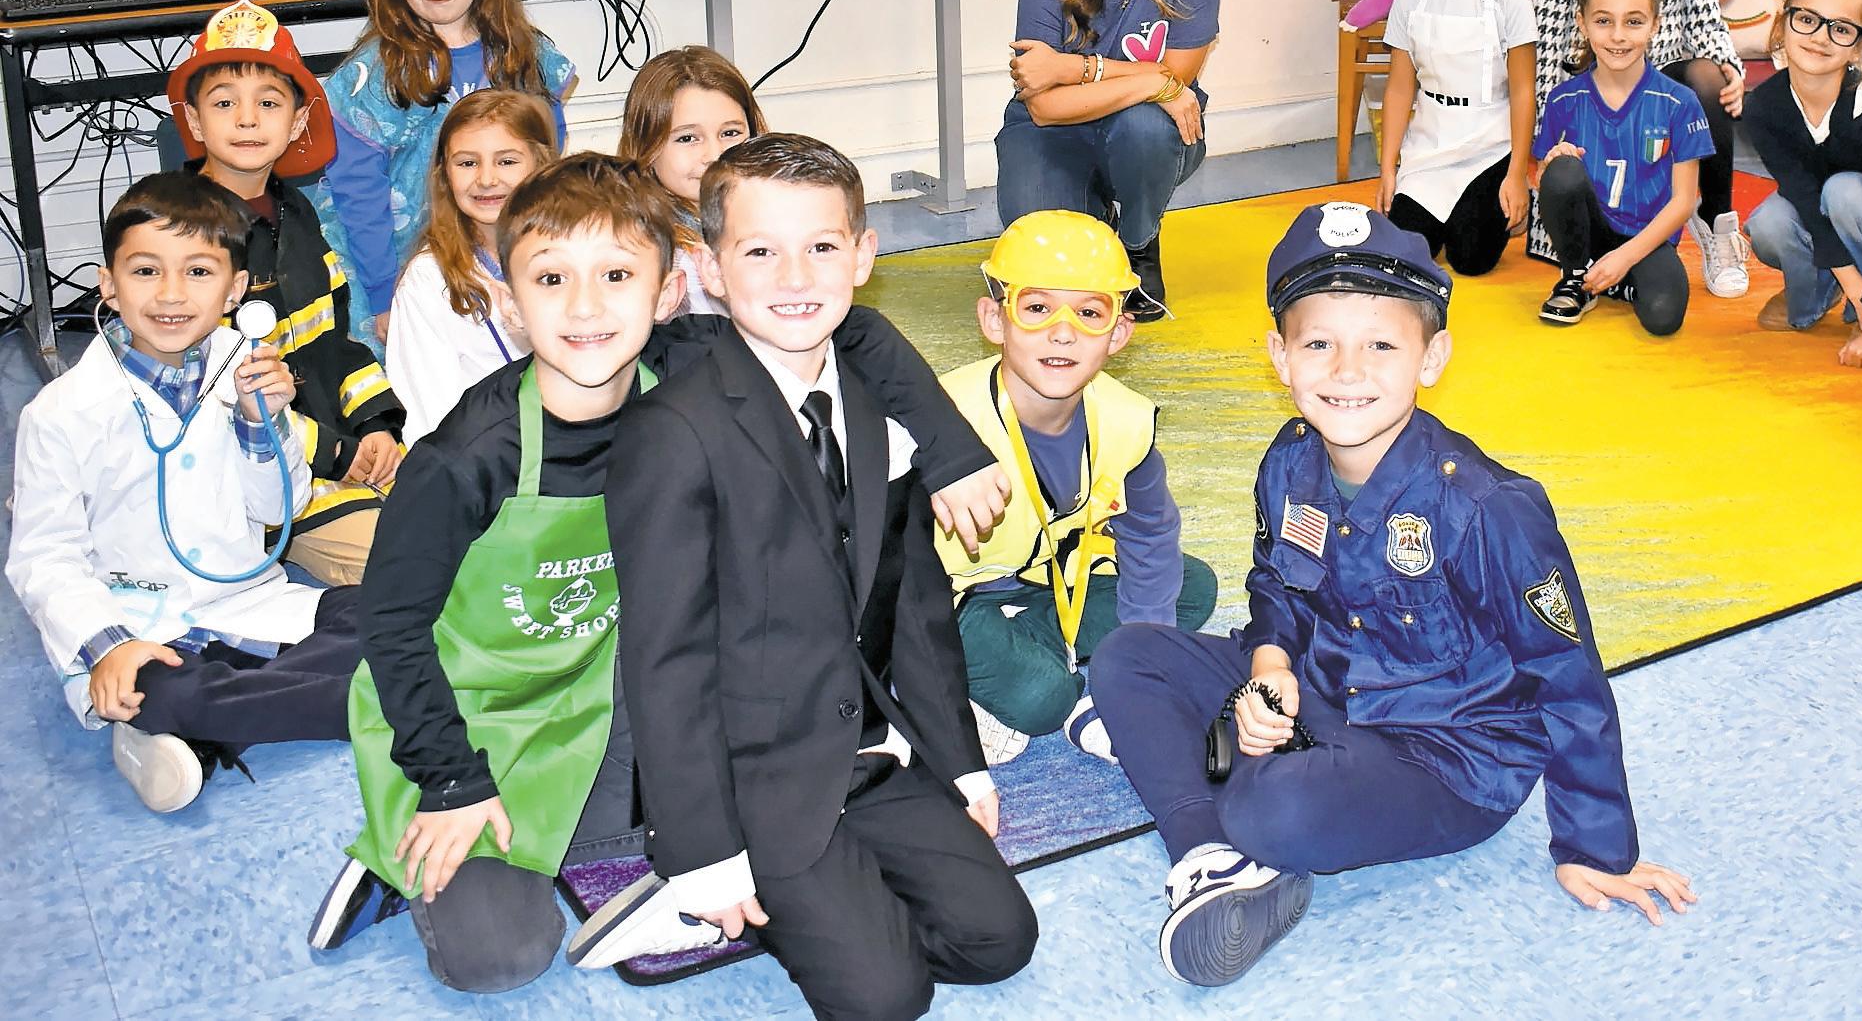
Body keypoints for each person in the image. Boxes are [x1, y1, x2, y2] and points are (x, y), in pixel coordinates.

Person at [316, 153, 999, 992]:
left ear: (669, 292)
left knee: (726, 767)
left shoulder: (683, 365)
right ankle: (396, 863)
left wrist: (952, 450)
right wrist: (451, 777)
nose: (586, 306)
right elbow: (390, 623)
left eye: (616, 275)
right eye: (552, 278)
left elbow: (851, 331)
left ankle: (676, 879)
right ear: (512, 304)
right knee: (499, 957)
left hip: (612, 699)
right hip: (476, 714)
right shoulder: (467, 456)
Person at [1087, 203, 1693, 989]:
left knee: (1272, 806)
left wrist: (1594, 845)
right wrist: (1270, 663)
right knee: (1126, 655)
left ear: (1431, 356)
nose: (1346, 371)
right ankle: (1207, 851)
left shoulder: (1485, 505)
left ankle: (1202, 772)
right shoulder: (1289, 460)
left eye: (1380, 344)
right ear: (1279, 356)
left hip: (1444, 754)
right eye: (1318, 343)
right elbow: (1274, 580)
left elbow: (1565, 675)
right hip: (1322, 690)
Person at [573, 134, 1038, 1015]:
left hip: (866, 753)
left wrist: (960, 766)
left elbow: (917, 608)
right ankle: (695, 895)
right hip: (751, 778)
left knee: (998, 938)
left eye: (821, 246)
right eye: (759, 251)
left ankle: (809, 899)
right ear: (710, 267)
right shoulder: (671, 432)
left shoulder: (875, 406)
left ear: (862, 256)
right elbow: (663, 662)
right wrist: (705, 852)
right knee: (885, 996)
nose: (794, 275)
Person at [6, 173, 358, 814]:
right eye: (145, 271)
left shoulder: (248, 371)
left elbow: (279, 511)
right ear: (108, 285)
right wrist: (107, 644)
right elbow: (43, 558)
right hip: (143, 627)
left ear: (236, 289)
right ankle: (372, 696)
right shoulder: (59, 413)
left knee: (383, 613)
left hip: (249, 602)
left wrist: (262, 424)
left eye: (198, 272)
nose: (171, 294)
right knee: (157, 688)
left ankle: (202, 732)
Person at [938, 210, 1218, 766]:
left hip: (1046, 579)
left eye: (1089, 313)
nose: (1063, 332)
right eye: (1037, 308)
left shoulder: (1126, 420)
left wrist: (1143, 666)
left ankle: (1025, 648)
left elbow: (1150, 535)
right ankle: (1002, 667)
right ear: (994, 319)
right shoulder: (941, 416)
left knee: (1192, 589)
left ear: (1118, 333)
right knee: (1045, 699)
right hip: (944, 600)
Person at [167, 0, 403, 584]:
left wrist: (375, 426)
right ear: (194, 121)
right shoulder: (179, 236)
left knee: (461, 510)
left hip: (336, 450)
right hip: (255, 481)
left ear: (298, 123)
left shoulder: (298, 215)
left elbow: (335, 345)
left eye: (269, 103)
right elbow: (213, 393)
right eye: (225, 103)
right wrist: (337, 455)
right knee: (409, 563)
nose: (247, 121)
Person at [309, 0, 575, 348]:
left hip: (507, 255)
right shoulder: (370, 77)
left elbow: (548, 162)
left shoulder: (524, 58)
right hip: (396, 269)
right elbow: (358, 193)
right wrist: (383, 296)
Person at [998, 0, 1223, 321]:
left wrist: (1071, 67)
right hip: (1055, 134)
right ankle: (1095, 211)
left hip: (1150, 135)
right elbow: (1044, 106)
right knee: (1045, 270)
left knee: (1144, 125)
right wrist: (1151, 81)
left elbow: (1178, 77)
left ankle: (1138, 241)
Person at [1529, 0, 1748, 297]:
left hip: (1658, 96)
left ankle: (1716, 225)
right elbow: (1546, 45)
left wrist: (1729, 69)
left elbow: (1706, 25)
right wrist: (1546, 137)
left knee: (1709, 80)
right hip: (1591, 95)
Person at [1740, 0, 1862, 368]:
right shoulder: (1763, 107)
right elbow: (1803, 197)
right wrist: (1854, 285)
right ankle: (1823, 292)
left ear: (1858, 47)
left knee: (1842, 191)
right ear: (1781, 27)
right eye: (1807, 20)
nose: (1821, 37)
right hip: (1819, 209)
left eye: (1840, 29)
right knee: (1768, 223)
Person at [1374, 0, 1538, 276]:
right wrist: (1389, 170)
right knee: (1406, 254)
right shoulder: (1410, 0)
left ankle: (1513, 203)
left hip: (1490, 148)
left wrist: (1516, 174)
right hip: (1428, 150)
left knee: (1471, 260)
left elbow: (1524, 91)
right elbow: (1399, 90)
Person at [1531, 0, 1713, 335]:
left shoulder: (1679, 102)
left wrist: (1626, 257)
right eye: (1603, 21)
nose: (1618, 36)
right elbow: (1543, 181)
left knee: (1664, 317)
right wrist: (1551, 164)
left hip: (1646, 237)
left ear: (1655, 25)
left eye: (1633, 21)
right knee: (1563, 169)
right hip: (1590, 234)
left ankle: (1620, 280)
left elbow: (1683, 202)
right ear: (1582, 24)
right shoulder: (1563, 99)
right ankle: (1576, 275)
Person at [385, 89, 557, 445]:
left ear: (541, 166)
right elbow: (429, 420)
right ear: (444, 174)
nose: (487, 179)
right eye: (467, 163)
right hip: (486, 462)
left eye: (506, 161)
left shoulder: (577, 255)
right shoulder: (428, 280)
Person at [615, 44, 766, 317]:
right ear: (646, 148)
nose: (715, 155)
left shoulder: (777, 217)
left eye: (730, 133)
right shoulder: (652, 254)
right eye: (687, 138)